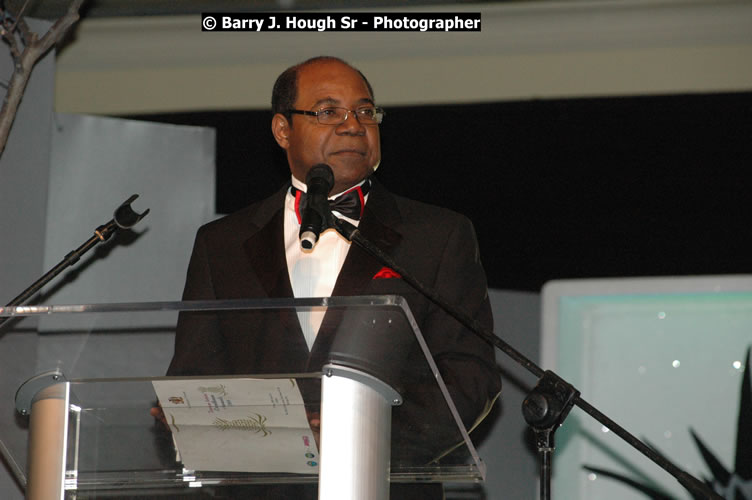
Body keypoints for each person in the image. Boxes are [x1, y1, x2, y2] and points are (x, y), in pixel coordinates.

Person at [166, 56, 501, 500]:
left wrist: (360, 441)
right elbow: (195, 377)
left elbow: (469, 378)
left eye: (365, 112)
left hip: (382, 485)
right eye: (328, 112)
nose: (353, 126)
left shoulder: (436, 237)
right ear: (282, 130)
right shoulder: (221, 244)